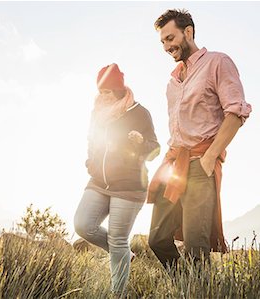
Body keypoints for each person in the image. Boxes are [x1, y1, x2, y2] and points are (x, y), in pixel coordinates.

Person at [147, 9, 252, 269]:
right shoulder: (172, 83)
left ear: (188, 32)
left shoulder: (217, 62)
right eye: (162, 41)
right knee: (157, 238)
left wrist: (209, 157)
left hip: (200, 165)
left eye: (170, 38)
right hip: (174, 164)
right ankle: (185, 286)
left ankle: (197, 289)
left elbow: (236, 112)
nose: (166, 46)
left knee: (196, 251)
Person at [74, 63, 160, 297]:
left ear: (119, 90)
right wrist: (90, 162)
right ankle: (123, 253)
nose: (102, 96)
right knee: (82, 224)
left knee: (118, 239)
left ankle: (117, 293)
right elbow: (92, 140)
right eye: (100, 91)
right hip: (99, 182)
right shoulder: (97, 112)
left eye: (108, 92)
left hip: (129, 186)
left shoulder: (139, 112)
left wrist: (141, 142)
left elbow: (155, 149)